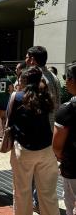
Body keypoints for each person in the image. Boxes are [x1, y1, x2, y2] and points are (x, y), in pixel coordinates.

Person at [8, 66, 59, 215]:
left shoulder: (17, 97)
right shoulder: (47, 97)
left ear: (23, 80)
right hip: (46, 149)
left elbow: (10, 121)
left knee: (22, 192)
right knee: (48, 194)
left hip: (23, 150)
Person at [25, 46, 61, 211]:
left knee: (34, 168)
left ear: (33, 59)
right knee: (45, 168)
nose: (26, 60)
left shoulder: (36, 79)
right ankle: (40, 201)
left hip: (39, 130)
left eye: (27, 57)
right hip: (52, 128)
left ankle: (37, 202)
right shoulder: (54, 77)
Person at [53, 62, 76, 215]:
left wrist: (63, 158)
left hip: (73, 166)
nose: (66, 81)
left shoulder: (67, 109)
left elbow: (56, 146)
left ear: (72, 80)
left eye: (66, 78)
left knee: (70, 205)